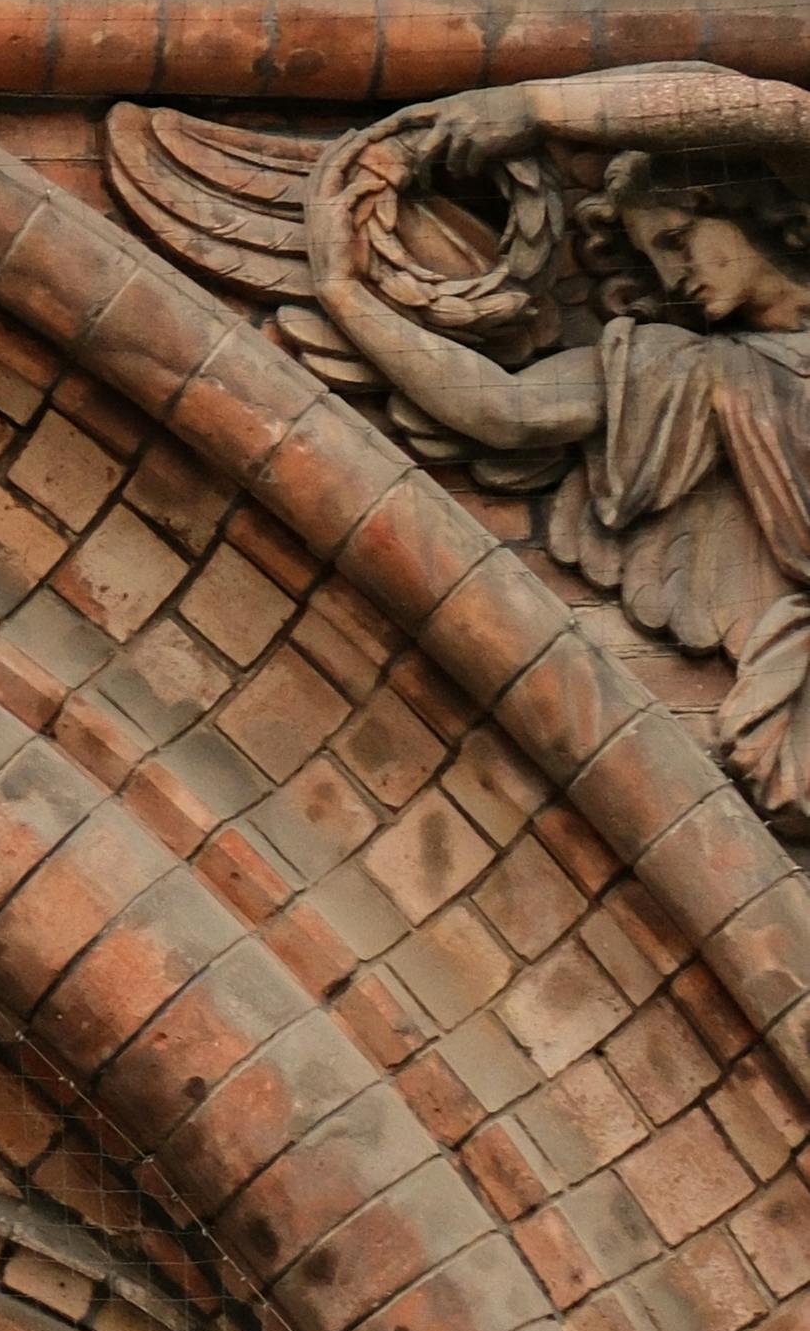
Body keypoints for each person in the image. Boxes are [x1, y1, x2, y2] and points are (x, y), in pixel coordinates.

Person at [323, 127, 810, 823]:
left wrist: (526, 107)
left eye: (674, 241)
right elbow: (508, 411)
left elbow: (763, 108)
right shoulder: (694, 372)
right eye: (652, 260)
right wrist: (346, 299)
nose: (672, 279)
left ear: (740, 202)